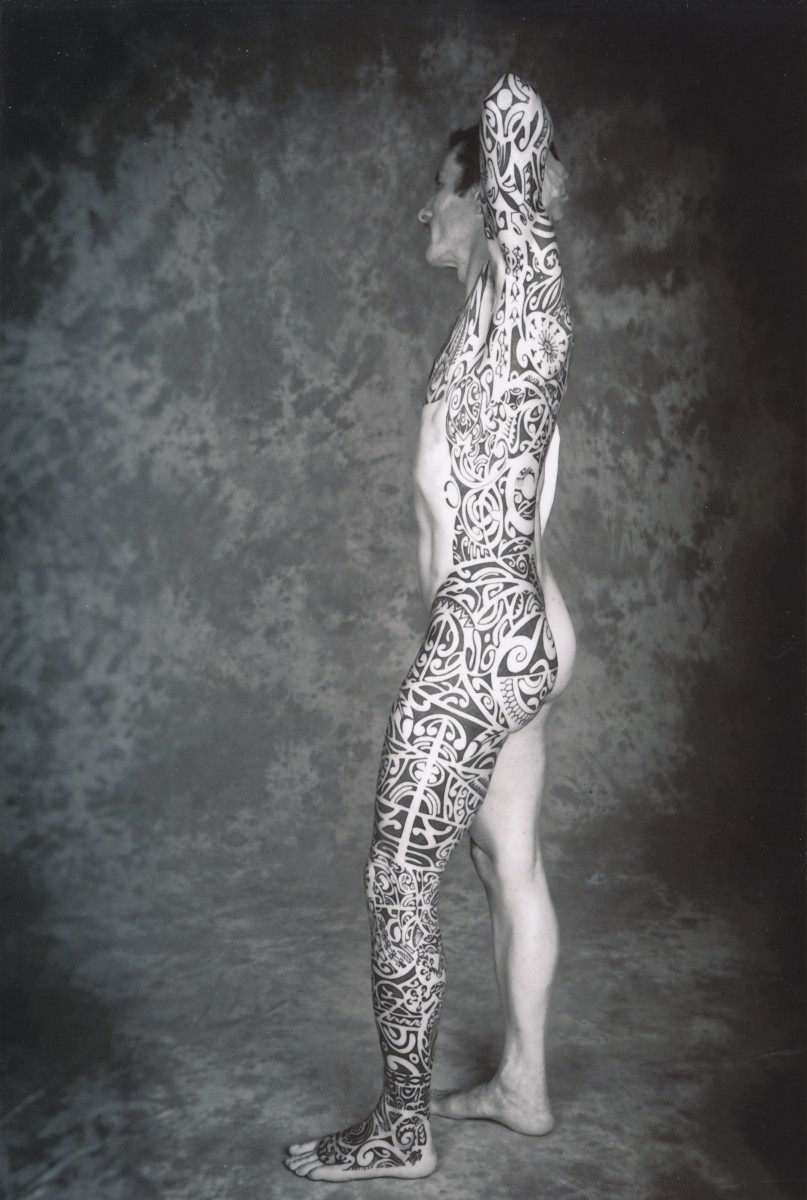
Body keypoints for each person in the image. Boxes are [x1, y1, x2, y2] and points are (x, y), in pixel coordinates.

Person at [285, 72, 575, 1183]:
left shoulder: (527, 307)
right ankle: (523, 1089)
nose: (424, 207)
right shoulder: (486, 327)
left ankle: (400, 1128)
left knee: (397, 878)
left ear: (490, 197)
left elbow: (514, 116)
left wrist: (508, 155)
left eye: (440, 190)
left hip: (479, 639)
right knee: (508, 858)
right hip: (517, 625)